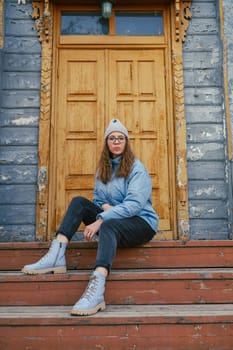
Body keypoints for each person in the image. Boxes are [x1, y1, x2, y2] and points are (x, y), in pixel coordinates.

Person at [22, 119, 159, 316]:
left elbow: (134, 206)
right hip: (114, 218)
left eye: (121, 138)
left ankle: (97, 288)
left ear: (126, 142)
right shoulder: (102, 169)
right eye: (112, 138)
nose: (117, 141)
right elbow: (98, 199)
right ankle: (56, 254)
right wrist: (106, 208)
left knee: (109, 225)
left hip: (141, 223)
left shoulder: (137, 168)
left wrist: (102, 218)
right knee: (79, 202)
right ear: (107, 143)